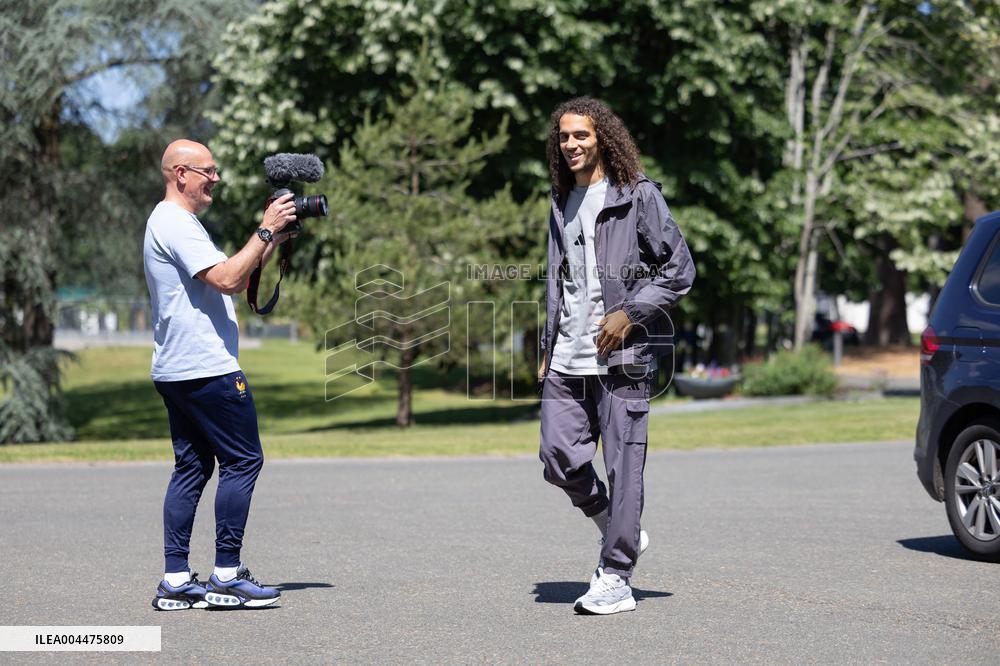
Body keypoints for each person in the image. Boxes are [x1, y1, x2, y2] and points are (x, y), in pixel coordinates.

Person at [537, 98, 695, 615]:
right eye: (564, 137)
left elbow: (679, 270)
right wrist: (547, 343)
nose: (571, 145)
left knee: (625, 467)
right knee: (558, 457)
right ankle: (614, 526)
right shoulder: (561, 198)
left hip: (621, 358)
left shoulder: (637, 195)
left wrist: (630, 312)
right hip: (567, 355)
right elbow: (559, 278)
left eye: (580, 135)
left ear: (602, 136)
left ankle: (617, 576)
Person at [144, 139, 297, 610]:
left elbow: (234, 271)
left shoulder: (172, 222)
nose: (215, 179)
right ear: (180, 174)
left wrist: (272, 241)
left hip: (177, 368)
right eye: (207, 171)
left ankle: (175, 580)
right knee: (243, 461)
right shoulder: (175, 222)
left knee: (192, 467)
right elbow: (229, 280)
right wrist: (265, 230)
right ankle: (227, 576)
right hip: (207, 368)